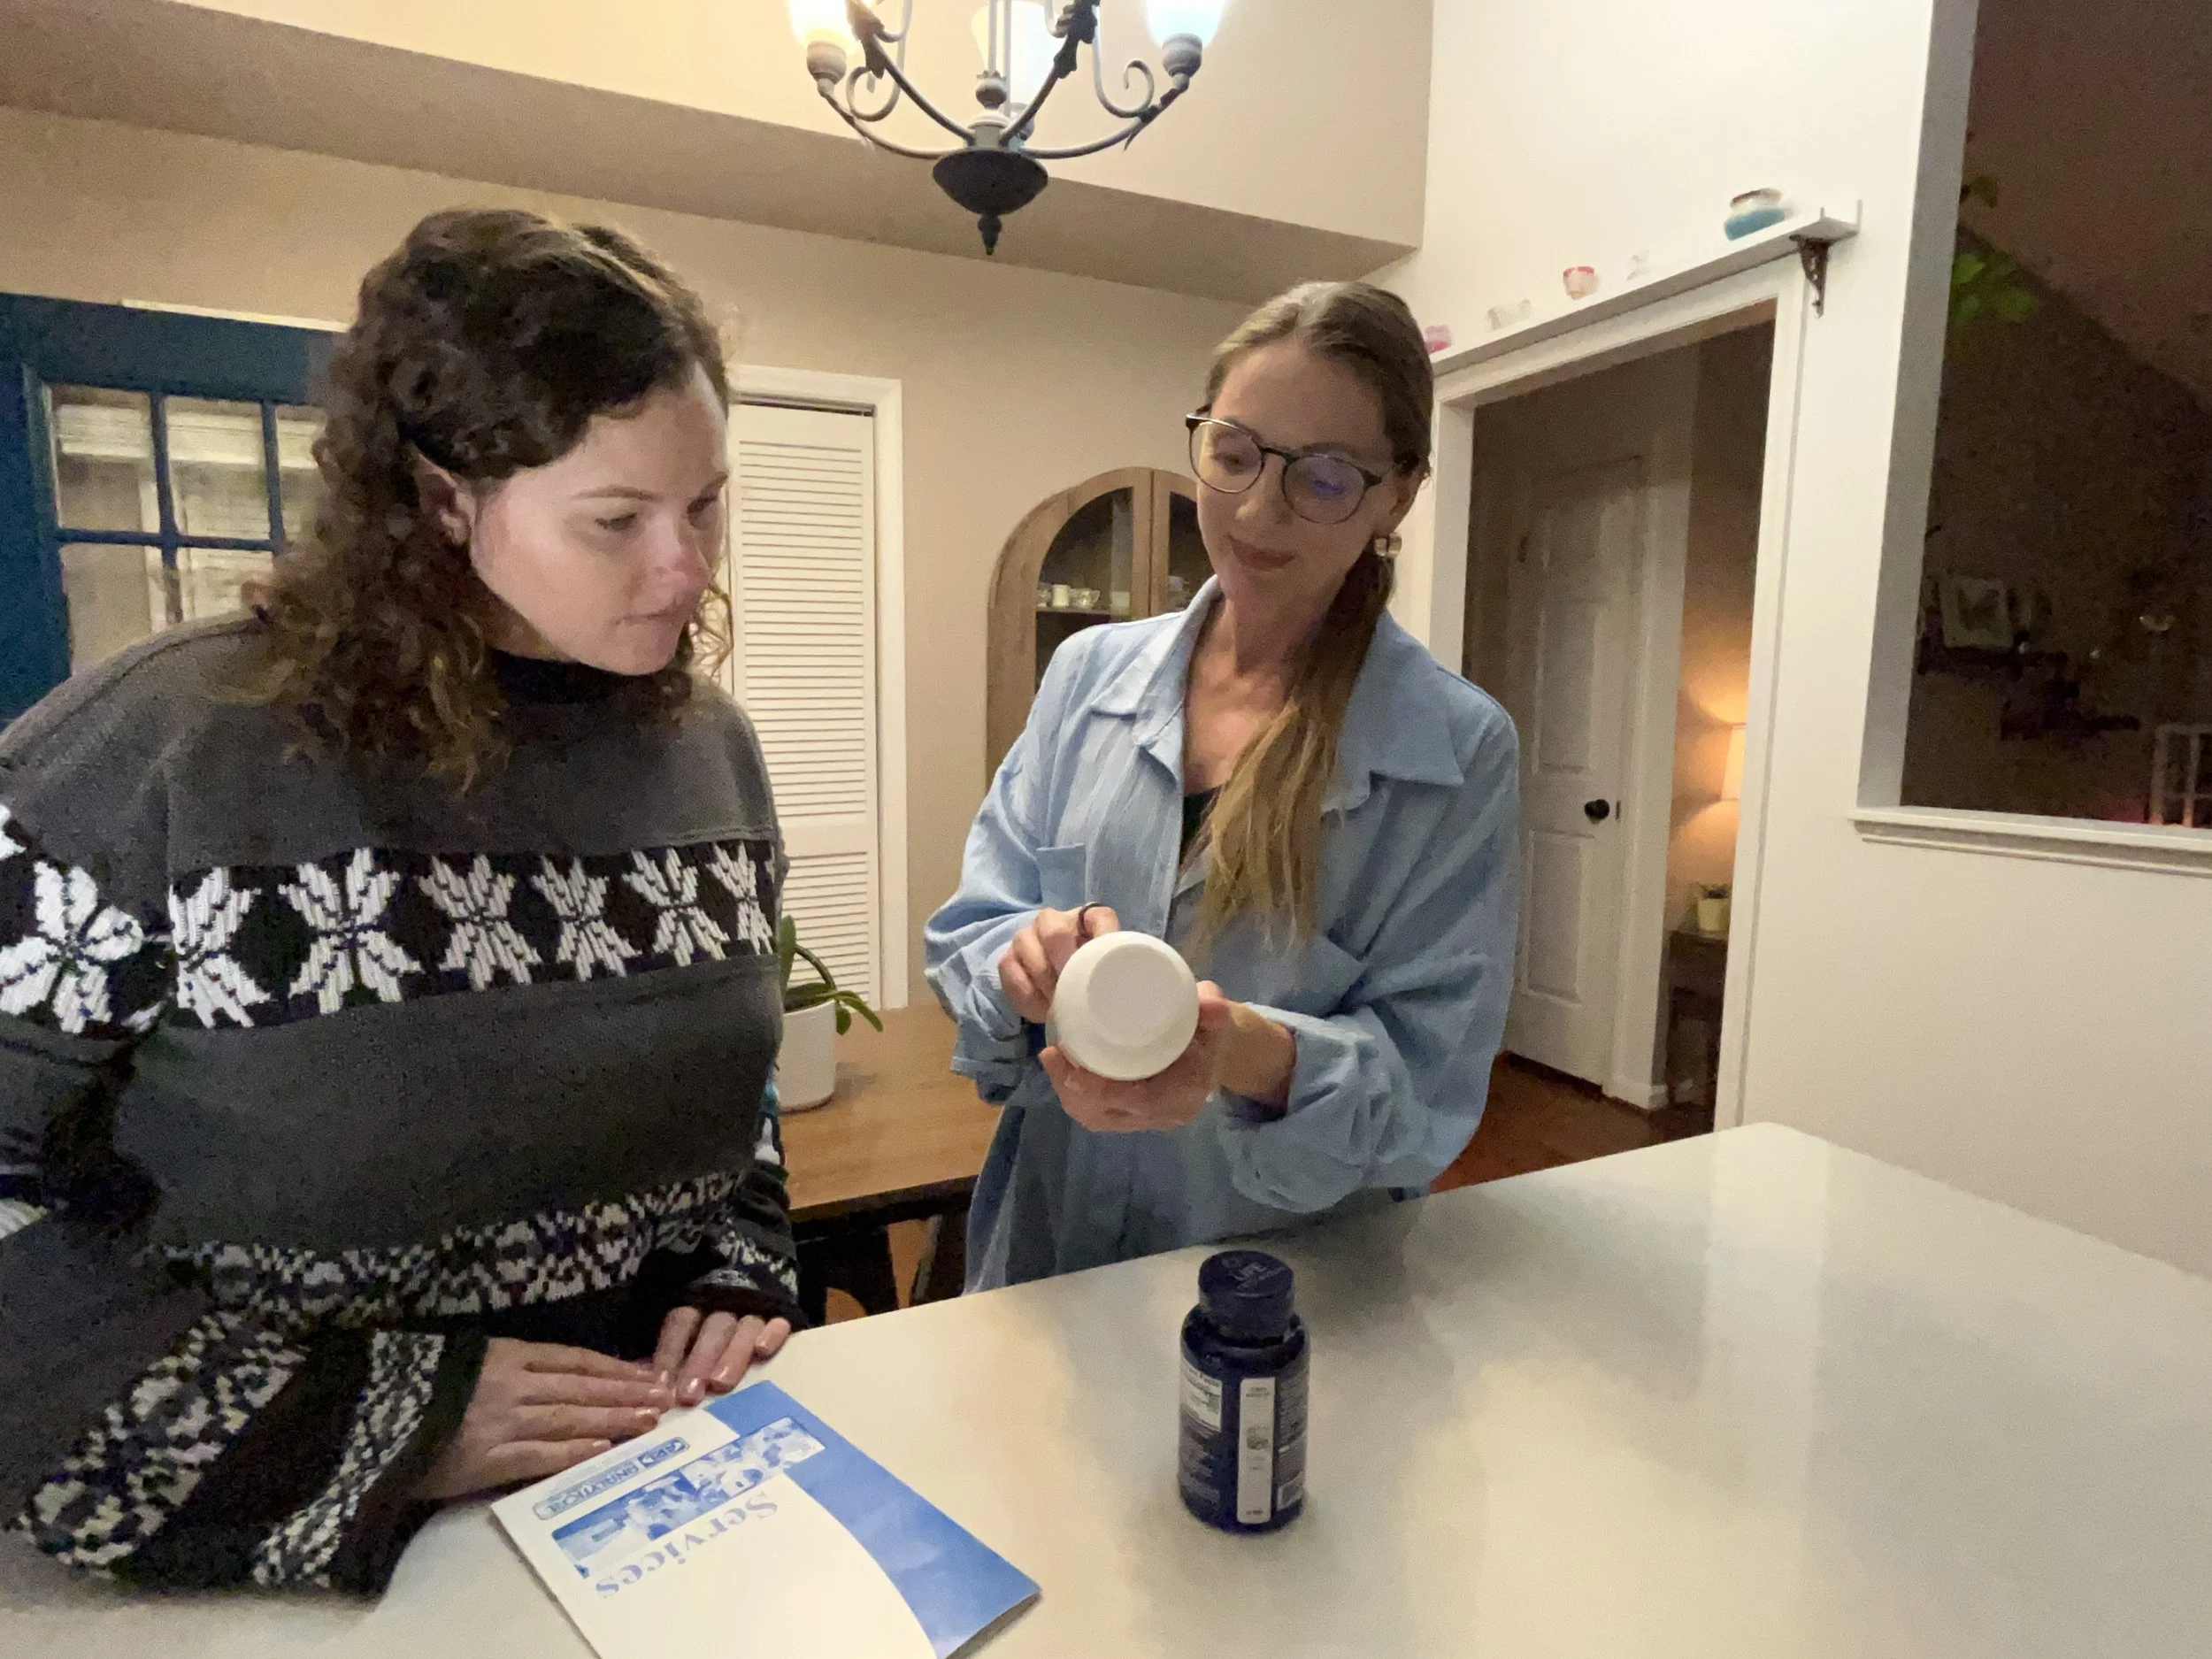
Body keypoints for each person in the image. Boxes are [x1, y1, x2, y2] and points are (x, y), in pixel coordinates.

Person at [0, 208, 801, 1593]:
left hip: (643, 1496)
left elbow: (726, 1070)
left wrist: (731, 1256)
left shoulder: (711, 749)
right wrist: (382, 1417)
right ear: (440, 501)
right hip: (269, 1545)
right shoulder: (169, 747)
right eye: (616, 519)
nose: (687, 567)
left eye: (707, 502)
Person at [926, 281, 1519, 1290]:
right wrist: (1022, 969)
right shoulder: (1085, 678)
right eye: (1234, 454)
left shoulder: (1453, 752)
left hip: (1284, 1294)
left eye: (1324, 477)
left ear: (1399, 492)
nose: (1254, 509)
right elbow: (976, 920)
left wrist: (1239, 1052)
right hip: (1047, 1264)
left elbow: (1426, 1092)